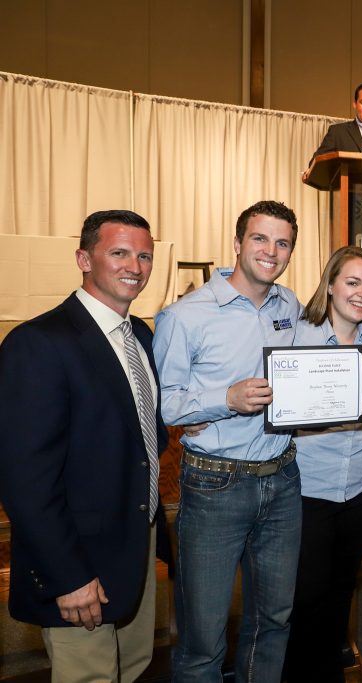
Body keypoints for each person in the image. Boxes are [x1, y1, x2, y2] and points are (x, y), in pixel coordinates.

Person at [0, 210, 168, 683]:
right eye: (119, 253)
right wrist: (68, 576)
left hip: (133, 547)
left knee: (132, 667)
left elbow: (138, 433)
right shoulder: (38, 342)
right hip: (78, 562)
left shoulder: (140, 335)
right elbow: (25, 480)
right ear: (84, 259)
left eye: (144, 256)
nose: (134, 266)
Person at [154, 200, 302, 682]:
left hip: (282, 479)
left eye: (282, 243)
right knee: (203, 637)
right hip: (215, 485)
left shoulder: (290, 306)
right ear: (237, 244)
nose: (271, 251)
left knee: (273, 621)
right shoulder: (185, 316)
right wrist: (226, 399)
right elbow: (167, 404)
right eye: (260, 238)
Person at [283, 246, 362, 681]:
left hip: (358, 491)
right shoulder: (296, 337)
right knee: (304, 599)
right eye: (352, 282)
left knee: (341, 594)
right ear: (329, 285)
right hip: (307, 492)